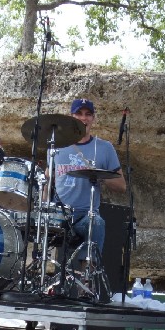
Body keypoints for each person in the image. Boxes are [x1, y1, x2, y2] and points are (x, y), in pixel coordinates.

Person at [48, 98, 126, 259]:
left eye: (88, 114)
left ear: (93, 118)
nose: (84, 118)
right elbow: (47, 181)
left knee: (97, 223)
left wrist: (98, 175)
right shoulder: (57, 146)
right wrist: (43, 207)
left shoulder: (104, 148)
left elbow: (121, 185)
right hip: (60, 215)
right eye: (79, 114)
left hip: (85, 215)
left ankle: (87, 275)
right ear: (71, 116)